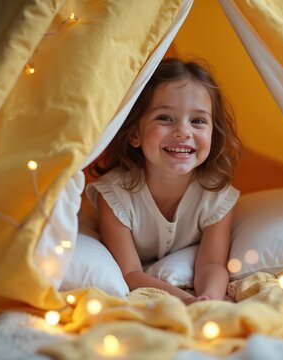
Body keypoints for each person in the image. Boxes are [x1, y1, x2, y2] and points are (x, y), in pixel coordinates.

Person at [87, 58, 241, 304]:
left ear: (213, 131)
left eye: (198, 121)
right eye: (165, 118)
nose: (183, 131)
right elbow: (130, 273)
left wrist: (209, 299)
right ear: (135, 134)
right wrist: (185, 300)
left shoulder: (216, 194)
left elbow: (212, 263)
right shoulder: (115, 194)